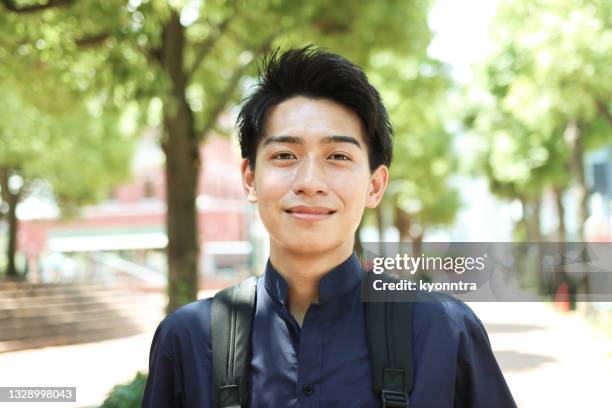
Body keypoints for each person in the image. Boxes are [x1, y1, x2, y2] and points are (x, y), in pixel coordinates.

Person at [142, 45, 517, 407]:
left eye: (337, 156)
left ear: (374, 185)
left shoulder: (445, 332)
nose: (310, 181)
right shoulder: (188, 340)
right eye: (285, 155)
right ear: (249, 178)